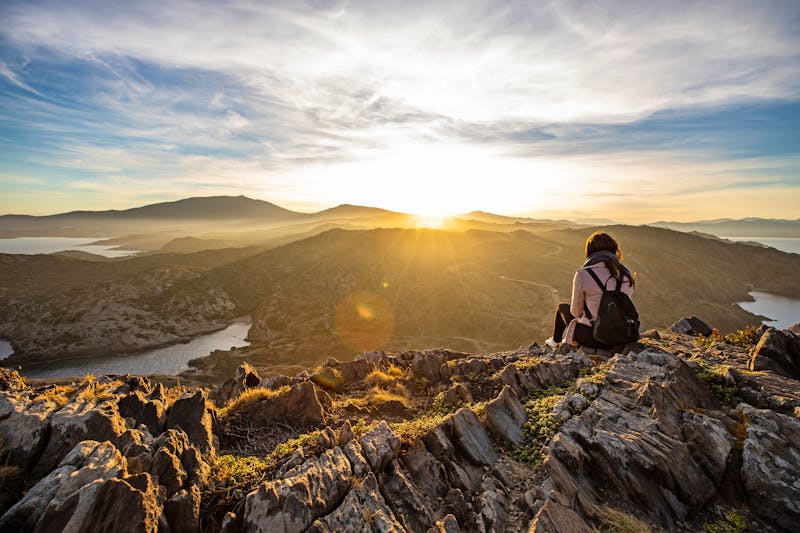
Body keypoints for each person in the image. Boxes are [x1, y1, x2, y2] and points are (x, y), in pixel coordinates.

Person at [547, 231, 636, 349]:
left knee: (562, 307)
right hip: (623, 335)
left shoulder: (583, 274)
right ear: (615, 251)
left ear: (589, 251)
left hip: (594, 337)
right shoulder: (626, 274)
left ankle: (554, 342)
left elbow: (576, 313)